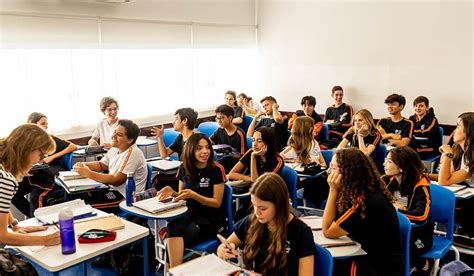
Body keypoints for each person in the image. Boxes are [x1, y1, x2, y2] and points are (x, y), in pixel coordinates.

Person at [322, 148, 403, 275]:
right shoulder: (361, 190)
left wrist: (333, 190)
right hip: (369, 254)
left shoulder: (365, 201)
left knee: (324, 265)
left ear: (348, 171)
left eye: (333, 167)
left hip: (377, 267)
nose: (329, 171)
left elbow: (328, 230)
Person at [217, 173, 315, 276]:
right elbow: (223, 246)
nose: (257, 213)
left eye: (262, 208)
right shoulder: (251, 221)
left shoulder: (301, 233)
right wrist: (223, 250)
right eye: (254, 205)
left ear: (279, 205)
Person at [157, 133, 227, 267]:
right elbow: (183, 195)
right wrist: (173, 193)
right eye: (199, 148)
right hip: (189, 213)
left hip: (210, 218)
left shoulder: (217, 169)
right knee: (173, 225)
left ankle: (174, 270)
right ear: (190, 150)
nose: (205, 151)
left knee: (177, 239)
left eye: (207, 147)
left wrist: (194, 195)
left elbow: (217, 203)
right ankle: (174, 271)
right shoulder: (184, 167)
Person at [0, 124, 60, 246]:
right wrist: (45, 240)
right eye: (41, 155)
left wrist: (15, 225)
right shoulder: (5, 179)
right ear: (27, 150)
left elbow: (1, 205)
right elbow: (2, 236)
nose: (39, 161)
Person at [11, 112, 78, 216]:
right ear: (33, 125)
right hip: (36, 173)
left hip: (52, 172)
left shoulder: (50, 138)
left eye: (46, 123)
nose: (46, 126)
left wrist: (52, 157)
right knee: (14, 193)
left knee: (35, 195)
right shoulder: (26, 142)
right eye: (43, 123)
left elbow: (73, 146)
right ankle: (32, 218)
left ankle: (36, 221)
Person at [74, 119, 147, 211]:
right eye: (115, 132)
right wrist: (84, 164)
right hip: (111, 190)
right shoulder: (115, 148)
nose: (114, 136)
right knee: (76, 195)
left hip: (125, 198)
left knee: (84, 206)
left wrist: (88, 173)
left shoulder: (134, 153)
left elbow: (116, 180)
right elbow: (101, 165)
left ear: (130, 140)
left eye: (119, 135)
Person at [383, 146, 433, 273]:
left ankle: (424, 264)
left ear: (401, 167)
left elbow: (421, 216)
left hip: (419, 233)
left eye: (389, 161)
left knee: (396, 246)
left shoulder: (421, 186)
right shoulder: (389, 181)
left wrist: (397, 212)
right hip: (397, 229)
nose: (384, 164)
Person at [435, 112, 474, 239]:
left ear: (468, 131)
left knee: (440, 205)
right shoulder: (462, 150)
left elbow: (444, 181)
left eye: (457, 126)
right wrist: (424, 175)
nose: (454, 130)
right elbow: (447, 175)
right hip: (468, 196)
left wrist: (448, 155)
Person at [282, 116, 328, 208]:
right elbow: (279, 159)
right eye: (312, 126)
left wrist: (315, 164)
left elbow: (324, 164)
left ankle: (318, 208)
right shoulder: (293, 147)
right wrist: (295, 160)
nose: (315, 128)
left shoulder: (314, 143)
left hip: (314, 176)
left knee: (322, 182)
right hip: (303, 179)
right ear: (306, 130)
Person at [210, 104, 247, 172]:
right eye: (217, 118)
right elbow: (210, 141)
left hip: (234, 165)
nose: (219, 121)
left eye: (222, 118)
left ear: (230, 118)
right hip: (221, 161)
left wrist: (228, 154)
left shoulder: (239, 134)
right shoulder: (220, 130)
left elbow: (242, 155)